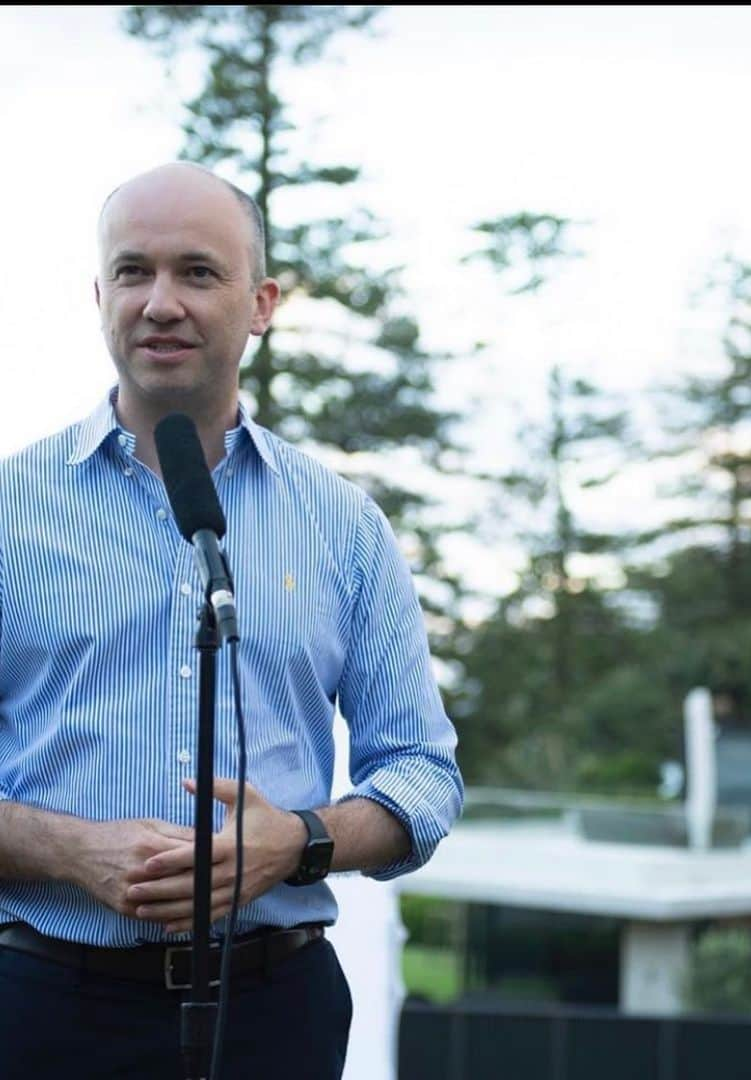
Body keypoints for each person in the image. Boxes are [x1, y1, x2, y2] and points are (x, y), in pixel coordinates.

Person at [0, 162, 464, 1078]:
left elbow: (422, 776)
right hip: (45, 1011)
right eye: (133, 272)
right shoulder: (8, 512)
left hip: (274, 1014)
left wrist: (297, 843)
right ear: (100, 296)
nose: (160, 301)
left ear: (261, 304)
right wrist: (69, 850)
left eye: (197, 272)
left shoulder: (343, 523)